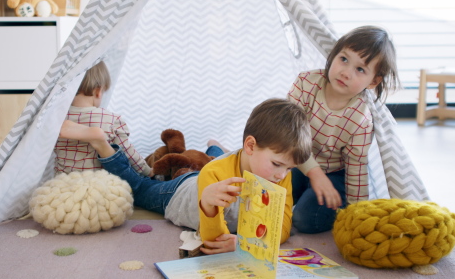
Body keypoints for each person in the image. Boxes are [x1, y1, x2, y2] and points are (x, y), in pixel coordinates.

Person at [60, 98, 312, 255]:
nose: (282, 175)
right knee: (138, 186)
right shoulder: (215, 174)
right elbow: (211, 238)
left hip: (210, 169)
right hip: (178, 194)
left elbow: (283, 227)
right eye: (278, 164)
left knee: (208, 161)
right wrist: (208, 205)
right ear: (250, 146)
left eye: (289, 168)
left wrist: (245, 243)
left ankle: (214, 147)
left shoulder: (281, 174)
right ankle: (102, 143)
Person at [287, 25, 401, 234]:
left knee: (304, 219)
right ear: (334, 55)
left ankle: (308, 198)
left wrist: (357, 214)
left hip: (333, 174)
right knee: (265, 197)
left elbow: (357, 167)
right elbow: (290, 136)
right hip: (295, 160)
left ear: (373, 81)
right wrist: (314, 175)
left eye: (360, 69)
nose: (345, 72)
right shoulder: (306, 84)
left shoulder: (360, 118)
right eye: (344, 59)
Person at [54, 60, 152, 177]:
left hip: (64, 183)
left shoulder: (57, 120)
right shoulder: (112, 120)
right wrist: (148, 171)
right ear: (98, 91)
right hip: (99, 183)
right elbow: (129, 154)